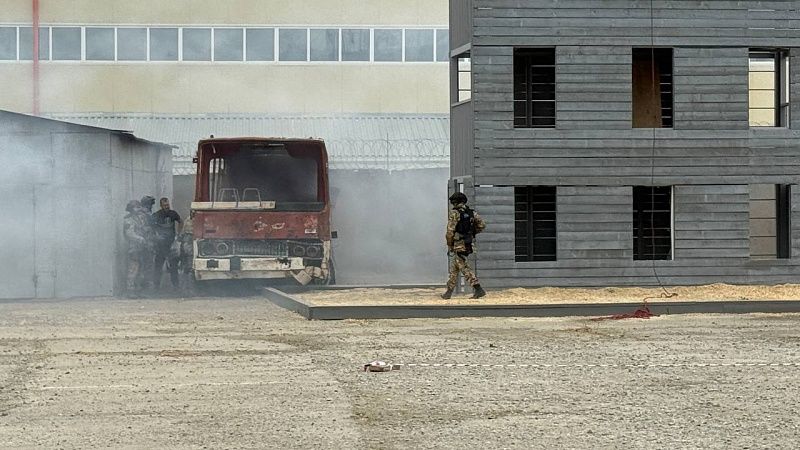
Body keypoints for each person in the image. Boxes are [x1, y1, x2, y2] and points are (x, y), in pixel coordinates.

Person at [442, 192, 486, 299]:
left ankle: (478, 288)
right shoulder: (471, 213)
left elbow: (450, 231)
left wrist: (450, 244)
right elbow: (482, 225)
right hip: (468, 243)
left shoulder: (455, 213)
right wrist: (472, 233)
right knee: (455, 267)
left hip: (458, 244)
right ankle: (449, 291)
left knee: (463, 267)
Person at [152, 197, 182, 290]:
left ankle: (175, 286)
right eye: (164, 205)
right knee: (158, 266)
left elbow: (180, 221)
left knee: (173, 266)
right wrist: (156, 235)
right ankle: (156, 286)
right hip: (160, 245)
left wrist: (178, 233)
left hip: (171, 244)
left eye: (167, 205)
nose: (166, 207)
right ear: (161, 206)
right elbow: (151, 226)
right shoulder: (157, 215)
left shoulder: (173, 213)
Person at [123, 200, 147, 298]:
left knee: (142, 270)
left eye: (139, 207)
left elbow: (144, 229)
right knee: (133, 270)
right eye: (136, 207)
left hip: (142, 247)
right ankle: (130, 291)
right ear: (131, 209)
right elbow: (129, 233)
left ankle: (139, 290)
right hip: (134, 247)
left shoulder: (140, 217)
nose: (139, 209)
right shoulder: (128, 220)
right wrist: (140, 238)